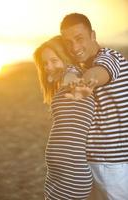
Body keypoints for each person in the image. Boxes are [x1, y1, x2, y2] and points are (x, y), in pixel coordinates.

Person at [60, 12, 128, 200]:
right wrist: (72, 81)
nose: (74, 47)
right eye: (68, 42)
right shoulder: (78, 66)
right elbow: (70, 76)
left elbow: (98, 73)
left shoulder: (112, 58)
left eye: (79, 38)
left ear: (93, 35)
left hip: (114, 165)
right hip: (89, 163)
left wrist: (85, 84)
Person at [33, 35, 95, 199]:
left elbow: (73, 80)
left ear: (65, 57)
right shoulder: (62, 82)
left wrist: (76, 86)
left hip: (72, 172)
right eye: (45, 63)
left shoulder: (72, 75)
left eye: (54, 60)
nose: (48, 66)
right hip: (59, 172)